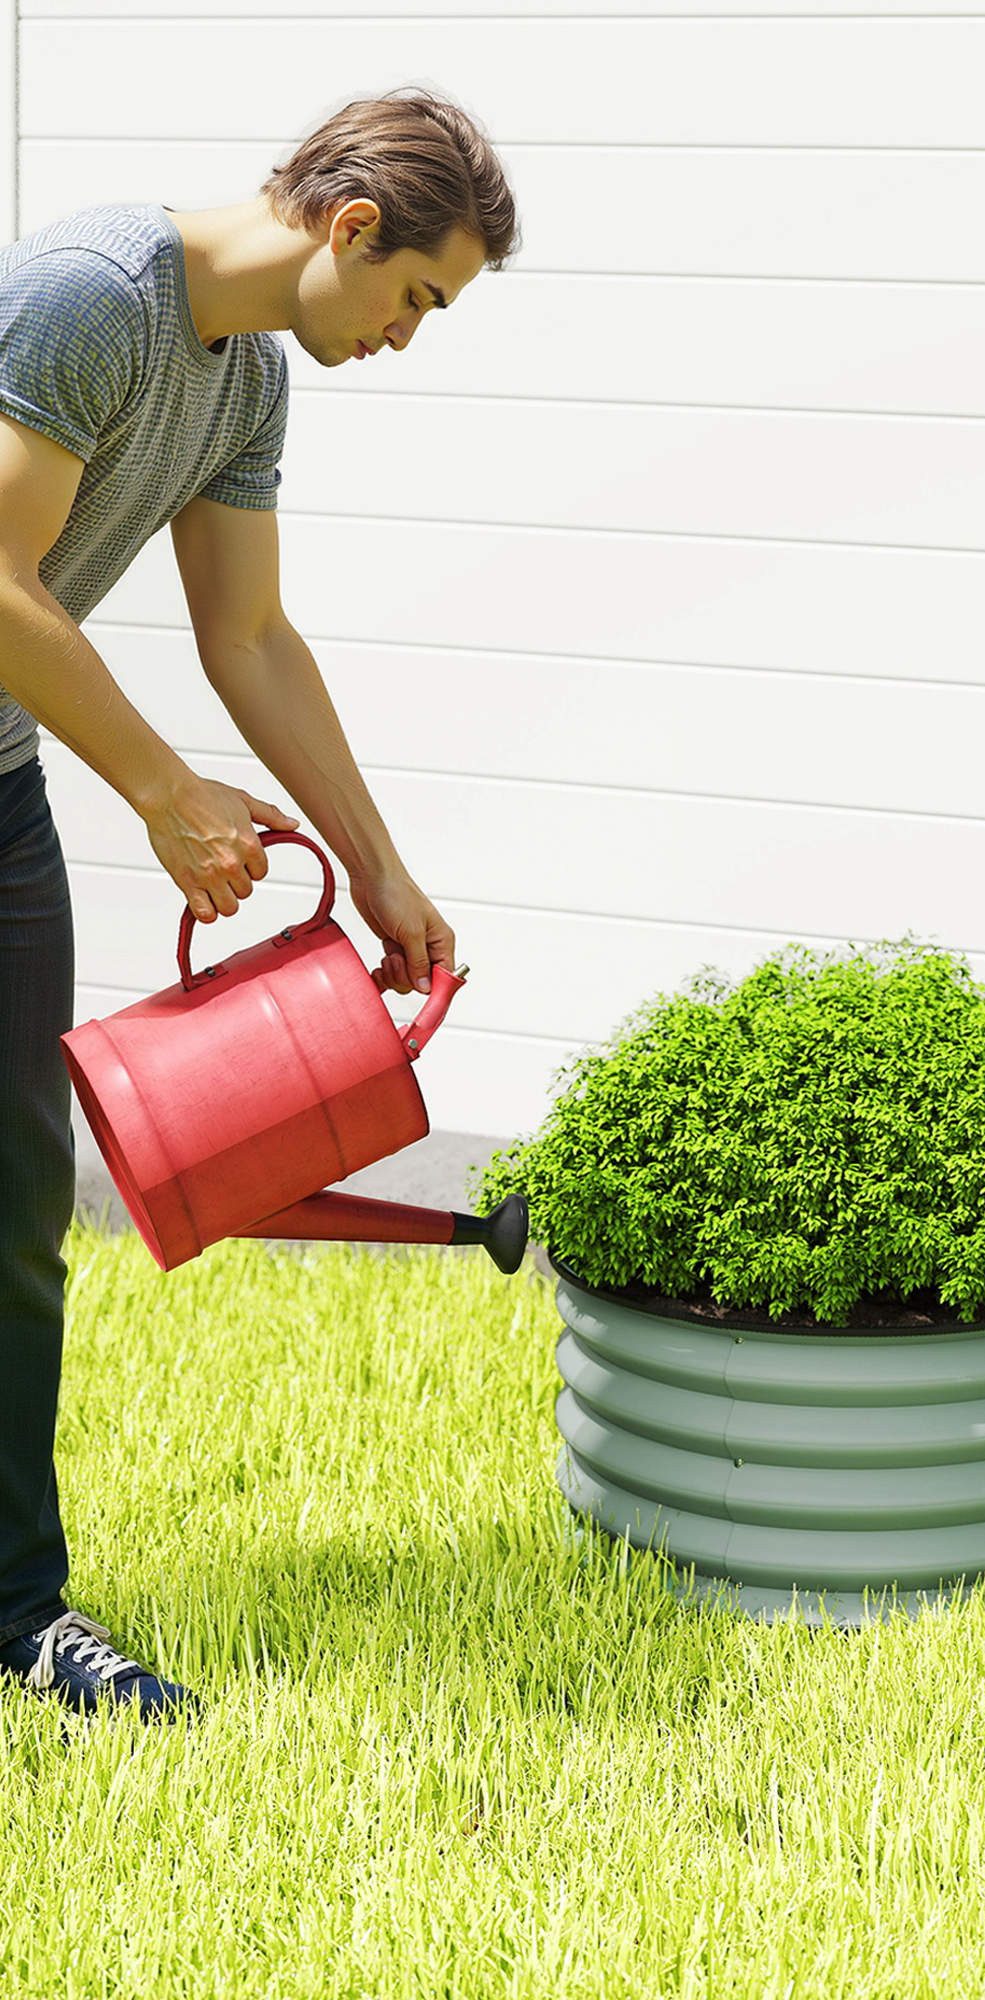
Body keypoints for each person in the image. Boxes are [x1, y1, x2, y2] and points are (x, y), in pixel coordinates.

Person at [0, 88, 519, 1721]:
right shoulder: (90, 296)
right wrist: (162, 792)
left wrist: (377, 862)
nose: (406, 340)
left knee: (16, 1214)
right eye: (417, 299)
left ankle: (18, 1610)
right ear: (351, 229)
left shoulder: (251, 383)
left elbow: (252, 639)